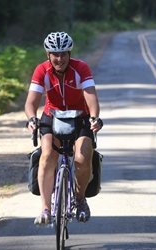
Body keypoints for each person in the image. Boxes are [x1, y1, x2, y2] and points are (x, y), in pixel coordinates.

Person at [25, 31, 103, 226]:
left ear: (70, 53)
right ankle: (45, 209)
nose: (59, 59)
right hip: (52, 115)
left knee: (82, 158)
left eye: (63, 54)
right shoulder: (41, 70)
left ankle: (80, 199)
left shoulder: (81, 68)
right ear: (48, 55)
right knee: (46, 156)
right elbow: (31, 102)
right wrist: (31, 119)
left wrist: (94, 117)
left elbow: (91, 96)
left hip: (80, 117)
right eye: (55, 54)